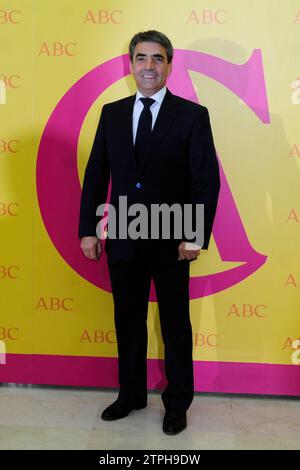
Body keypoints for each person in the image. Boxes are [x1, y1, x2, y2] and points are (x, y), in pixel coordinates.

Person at [78, 30, 220, 435]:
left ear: (169, 65)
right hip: (122, 235)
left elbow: (204, 181)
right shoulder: (111, 113)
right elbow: (95, 176)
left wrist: (194, 235)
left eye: (157, 59)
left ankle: (177, 404)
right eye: (141, 58)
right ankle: (131, 394)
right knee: (128, 320)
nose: (149, 67)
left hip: (173, 239)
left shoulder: (193, 115)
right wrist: (89, 229)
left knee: (175, 324)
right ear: (131, 64)